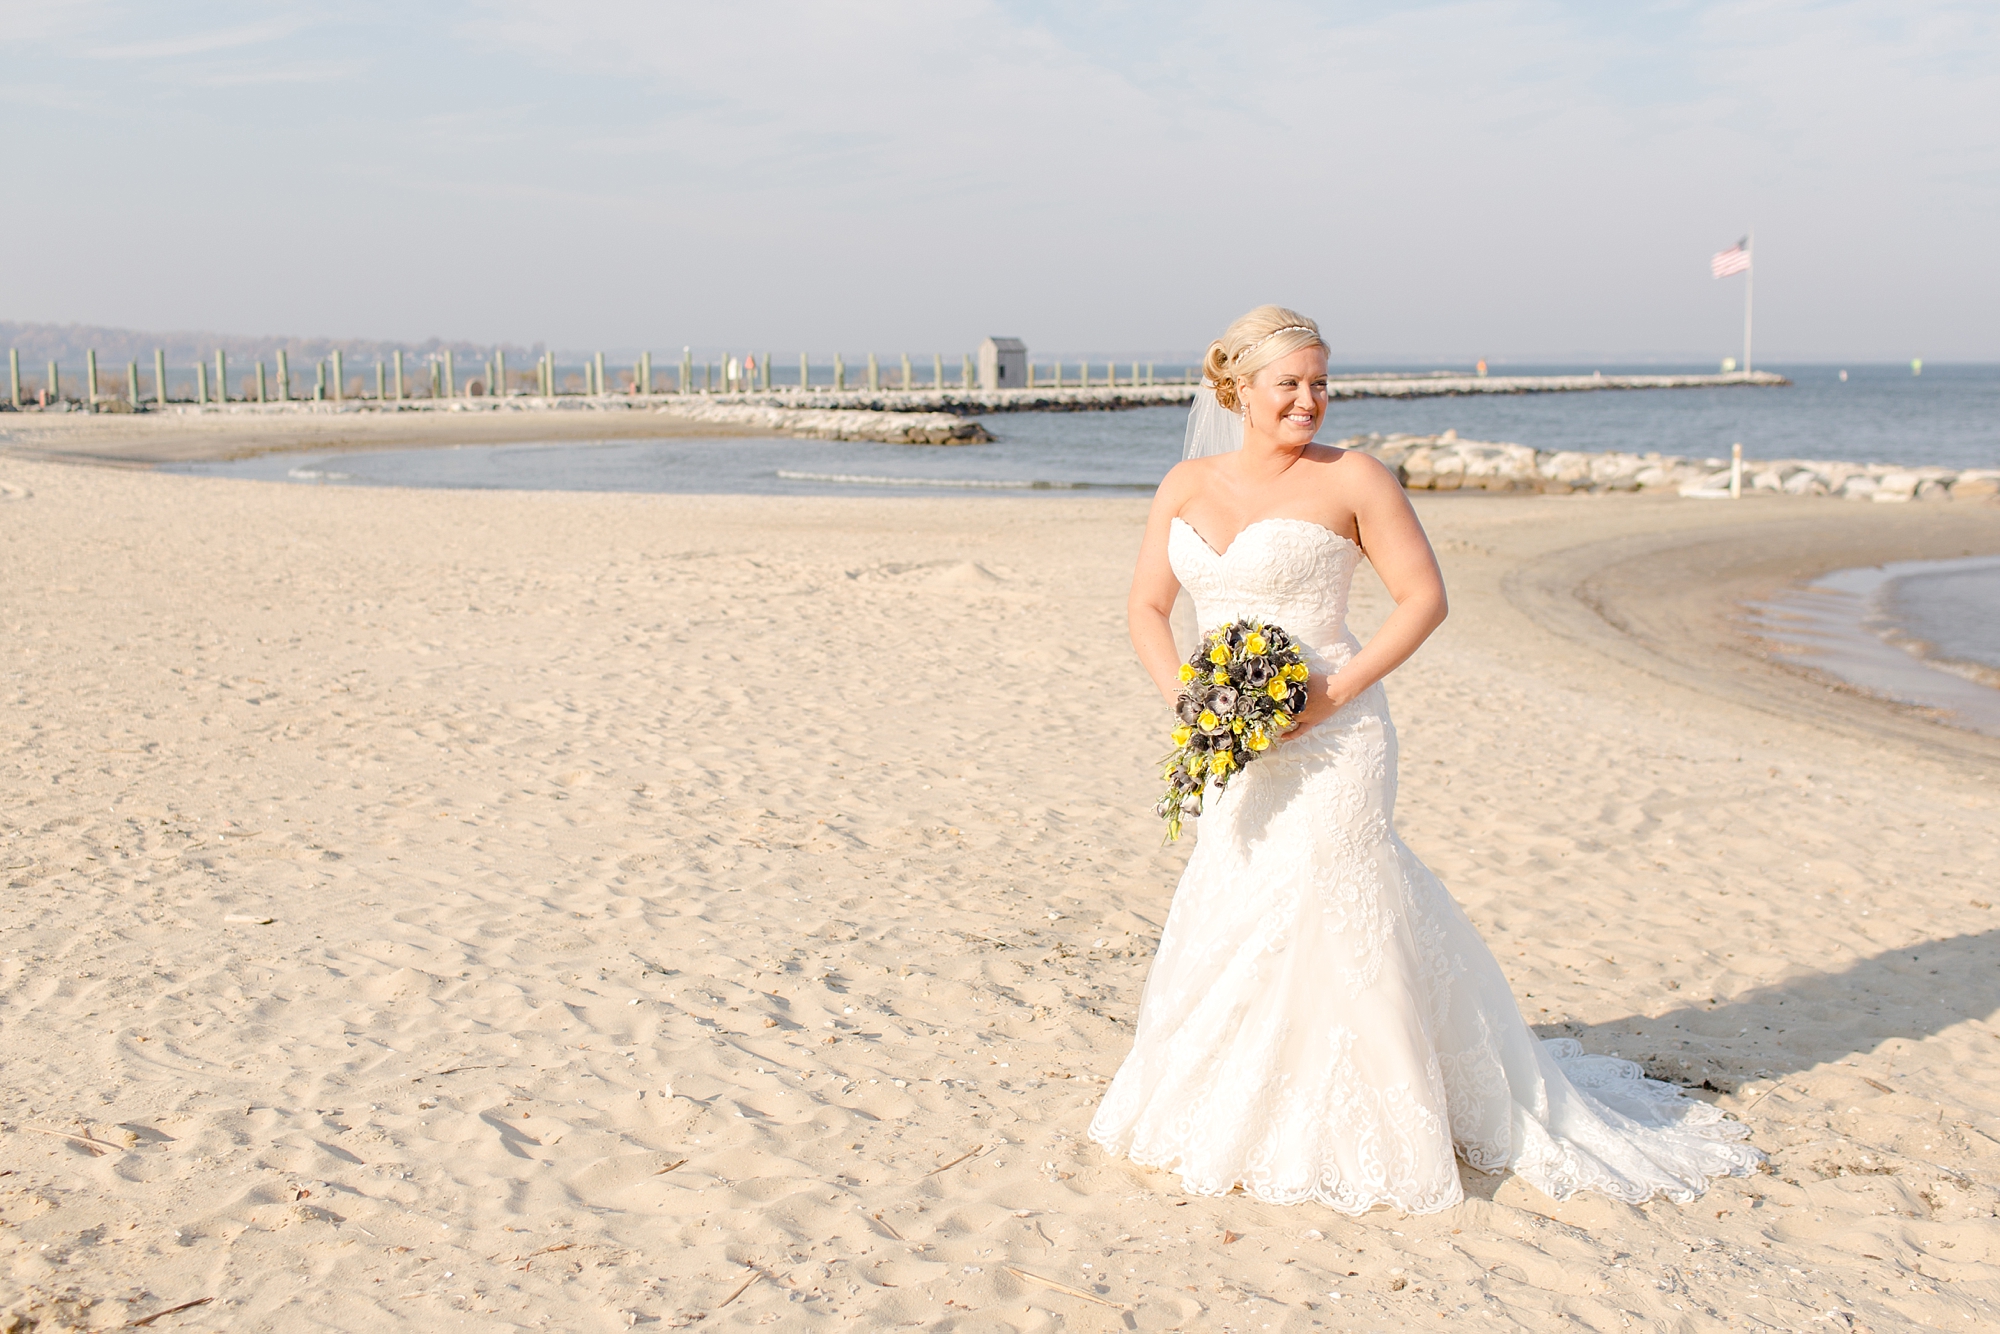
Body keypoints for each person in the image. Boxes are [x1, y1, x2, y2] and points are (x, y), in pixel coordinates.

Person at [1089, 304, 1762, 1213]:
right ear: (1238, 390)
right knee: (1240, 894)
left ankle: (1371, 1108)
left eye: (1321, 383)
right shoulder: (1184, 483)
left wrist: (1332, 692)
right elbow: (1144, 607)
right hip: (1232, 741)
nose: (1309, 400)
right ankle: (1236, 1097)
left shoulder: (1355, 478)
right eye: (1288, 384)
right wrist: (1191, 703)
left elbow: (1422, 599)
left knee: (1335, 900)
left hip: (1339, 733)